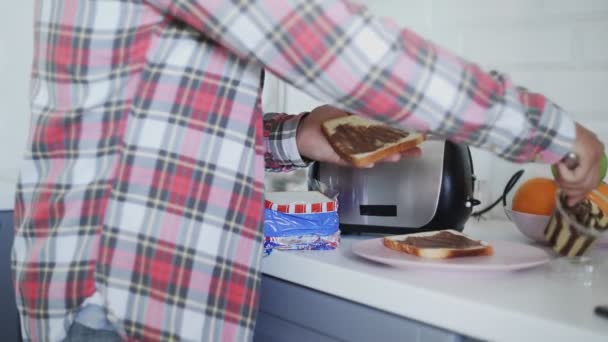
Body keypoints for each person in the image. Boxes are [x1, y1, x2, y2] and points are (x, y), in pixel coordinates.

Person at [13, 1, 604, 341]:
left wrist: (297, 135)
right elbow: (343, 48)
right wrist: (548, 130)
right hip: (120, 308)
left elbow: (158, 116)